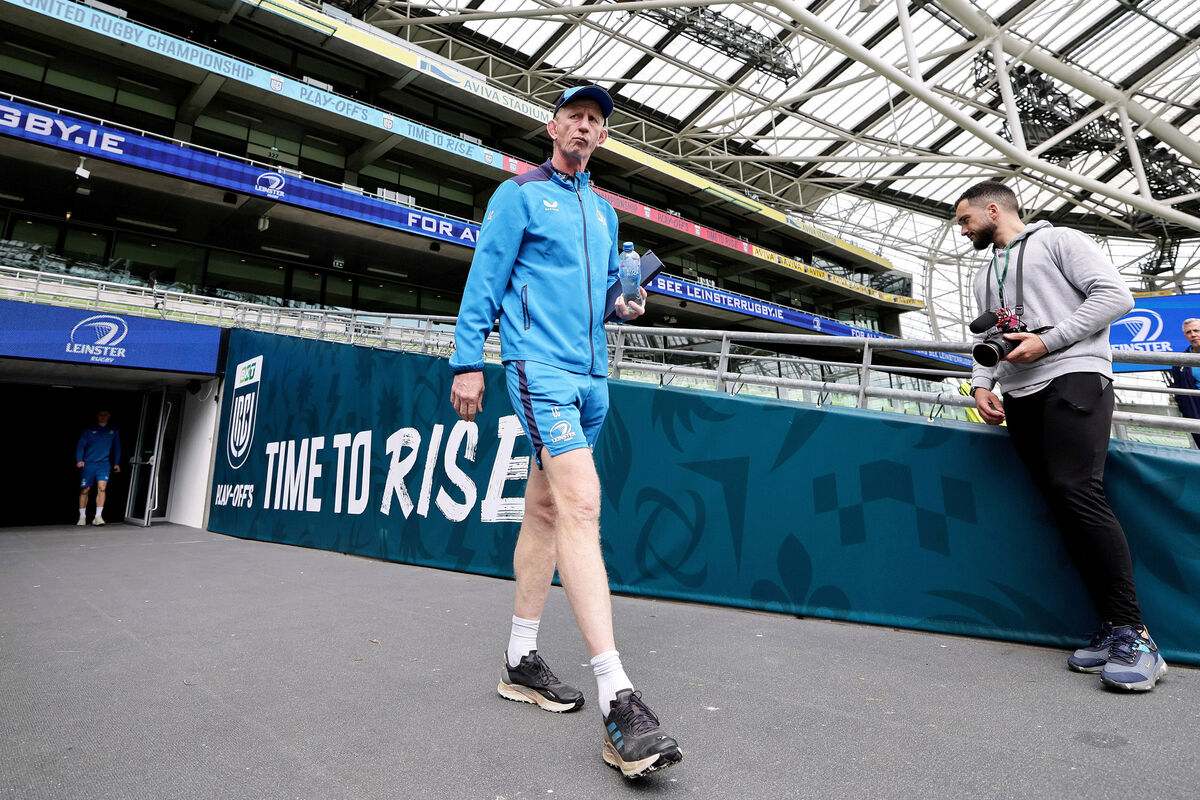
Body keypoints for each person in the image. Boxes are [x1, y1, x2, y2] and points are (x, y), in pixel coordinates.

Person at [448, 84, 682, 778]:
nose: (584, 127)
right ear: (553, 127)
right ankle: (621, 702)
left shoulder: (605, 213)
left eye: (596, 121)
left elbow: (611, 295)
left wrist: (628, 299)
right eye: (575, 116)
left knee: (548, 510)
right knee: (581, 504)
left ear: (603, 138)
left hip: (591, 378)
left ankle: (521, 658)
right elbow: (485, 280)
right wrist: (468, 362)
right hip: (537, 368)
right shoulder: (517, 195)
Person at [955, 180, 1167, 692]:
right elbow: (989, 340)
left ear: (992, 209)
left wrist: (1049, 340)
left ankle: (1139, 639)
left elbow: (1117, 296)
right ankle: (1114, 626)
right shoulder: (984, 271)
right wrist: (983, 383)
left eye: (965, 221)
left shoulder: (1060, 240)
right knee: (1061, 504)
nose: (962, 232)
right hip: (1020, 392)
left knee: (1078, 492)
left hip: (1074, 374)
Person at [76, 409, 121, 526]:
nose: (103, 417)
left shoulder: (113, 431)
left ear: (109, 416)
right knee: (85, 490)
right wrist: (79, 460)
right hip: (89, 464)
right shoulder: (89, 431)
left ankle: (98, 516)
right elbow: (81, 445)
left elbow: (117, 448)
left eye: (105, 415)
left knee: (102, 488)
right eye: (101, 415)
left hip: (104, 464)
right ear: (97, 416)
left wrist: (116, 463)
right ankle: (82, 517)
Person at [1168, 317, 1200, 448]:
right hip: (1195, 409)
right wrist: (1185, 410)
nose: (1193, 334)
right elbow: (1178, 390)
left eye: (1196, 330)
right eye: (1189, 332)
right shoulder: (1180, 360)